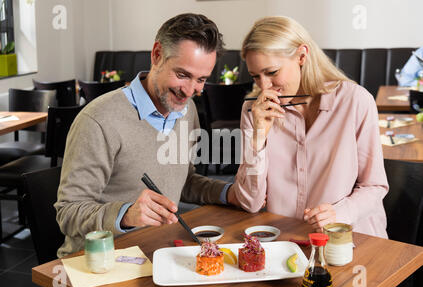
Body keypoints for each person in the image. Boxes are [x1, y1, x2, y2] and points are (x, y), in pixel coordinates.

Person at [55, 13, 238, 257]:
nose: (190, 91)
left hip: (155, 250)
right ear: (157, 55)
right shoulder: (98, 120)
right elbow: (67, 213)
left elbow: (183, 180)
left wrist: (228, 193)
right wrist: (126, 215)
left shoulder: (186, 110)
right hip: (99, 264)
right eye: (182, 74)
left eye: (201, 79)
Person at [227, 16, 389, 238]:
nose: (264, 86)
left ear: (302, 56)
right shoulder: (254, 110)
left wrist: (339, 213)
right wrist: (258, 140)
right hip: (287, 241)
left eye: (272, 72)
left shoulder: (355, 101)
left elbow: (374, 186)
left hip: (352, 238)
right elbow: (250, 202)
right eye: (256, 76)